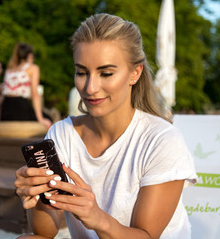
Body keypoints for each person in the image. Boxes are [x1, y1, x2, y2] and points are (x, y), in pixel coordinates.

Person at [14, 13, 198, 239]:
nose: (90, 87)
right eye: (81, 72)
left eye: (106, 73)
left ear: (135, 73)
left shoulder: (161, 140)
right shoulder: (62, 134)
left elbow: (146, 236)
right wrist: (40, 196)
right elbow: (45, 232)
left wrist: (97, 217)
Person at [0, 42, 52, 129]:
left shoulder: (9, 69)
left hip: (6, 109)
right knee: (48, 119)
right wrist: (40, 119)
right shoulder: (32, 68)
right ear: (30, 55)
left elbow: (4, 94)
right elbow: (35, 94)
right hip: (20, 108)